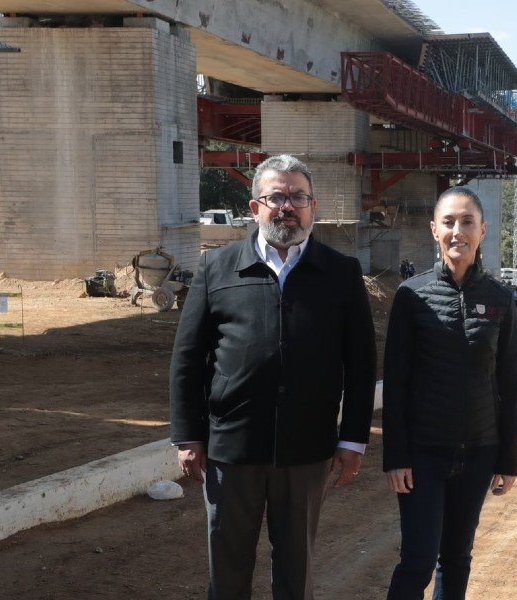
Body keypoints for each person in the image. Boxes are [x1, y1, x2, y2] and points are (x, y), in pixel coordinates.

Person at [170, 154, 376, 599]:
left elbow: (361, 364)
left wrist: (352, 439)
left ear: (313, 207)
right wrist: (188, 436)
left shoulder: (341, 273)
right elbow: (188, 358)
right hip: (232, 447)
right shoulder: (218, 268)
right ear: (254, 207)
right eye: (276, 196)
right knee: (227, 570)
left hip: (307, 449)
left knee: (295, 573)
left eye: (298, 197)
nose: (287, 206)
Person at [383, 186, 517, 600]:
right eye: (448, 222)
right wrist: (396, 456)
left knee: (458, 556)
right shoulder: (412, 296)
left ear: (484, 230)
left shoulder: (500, 299)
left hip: (480, 451)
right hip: (423, 453)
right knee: (418, 560)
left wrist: (508, 458)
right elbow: (397, 382)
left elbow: (510, 385)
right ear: (434, 230)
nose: (457, 231)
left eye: (467, 222)